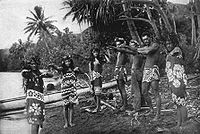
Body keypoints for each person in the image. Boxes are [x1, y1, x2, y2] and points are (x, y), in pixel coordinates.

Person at [48, 55, 82, 128]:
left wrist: (78, 69)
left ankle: (71, 122)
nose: (68, 63)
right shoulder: (62, 69)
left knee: (71, 105)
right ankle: (66, 123)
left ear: (71, 61)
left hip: (72, 88)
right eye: (66, 61)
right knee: (65, 106)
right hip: (65, 89)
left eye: (69, 61)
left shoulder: (73, 68)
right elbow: (57, 68)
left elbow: (81, 72)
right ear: (63, 62)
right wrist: (52, 65)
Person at [22, 57, 53, 134]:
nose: (34, 65)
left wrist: (44, 74)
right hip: (32, 100)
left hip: (39, 99)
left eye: (35, 64)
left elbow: (51, 75)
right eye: (32, 64)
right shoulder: (28, 73)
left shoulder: (39, 73)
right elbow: (23, 73)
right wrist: (27, 69)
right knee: (34, 121)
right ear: (29, 65)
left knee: (38, 120)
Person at [137, 32, 161, 121]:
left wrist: (138, 49)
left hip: (154, 69)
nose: (146, 41)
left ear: (150, 38)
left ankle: (158, 115)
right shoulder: (146, 47)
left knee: (155, 92)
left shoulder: (155, 45)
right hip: (146, 71)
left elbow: (147, 51)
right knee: (144, 92)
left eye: (147, 39)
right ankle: (151, 109)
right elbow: (138, 50)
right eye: (144, 40)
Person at [165, 38, 188, 127]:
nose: (168, 45)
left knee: (181, 103)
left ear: (174, 43)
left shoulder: (177, 50)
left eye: (170, 43)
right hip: (173, 82)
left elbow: (176, 50)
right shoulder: (170, 54)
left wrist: (168, 55)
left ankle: (184, 124)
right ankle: (179, 124)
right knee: (177, 103)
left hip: (178, 81)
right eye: (167, 44)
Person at [89, 47, 110, 113]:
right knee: (93, 92)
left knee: (98, 92)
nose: (95, 53)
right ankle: (97, 105)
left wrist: (105, 55)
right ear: (92, 53)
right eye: (94, 52)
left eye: (96, 52)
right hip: (93, 77)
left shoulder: (100, 59)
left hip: (98, 77)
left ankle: (98, 107)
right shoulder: (91, 61)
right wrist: (91, 78)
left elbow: (108, 61)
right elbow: (90, 70)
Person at [129, 39, 146, 111]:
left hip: (135, 72)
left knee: (136, 90)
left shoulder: (136, 53)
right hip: (139, 72)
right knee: (139, 88)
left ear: (136, 46)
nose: (131, 47)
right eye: (131, 46)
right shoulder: (140, 54)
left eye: (132, 46)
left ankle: (137, 107)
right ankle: (143, 104)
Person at [113, 37, 129, 111]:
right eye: (117, 45)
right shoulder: (120, 52)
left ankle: (125, 104)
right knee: (119, 88)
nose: (118, 46)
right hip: (118, 70)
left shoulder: (123, 51)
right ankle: (123, 103)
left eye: (119, 44)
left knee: (122, 88)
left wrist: (122, 41)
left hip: (121, 70)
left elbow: (124, 43)